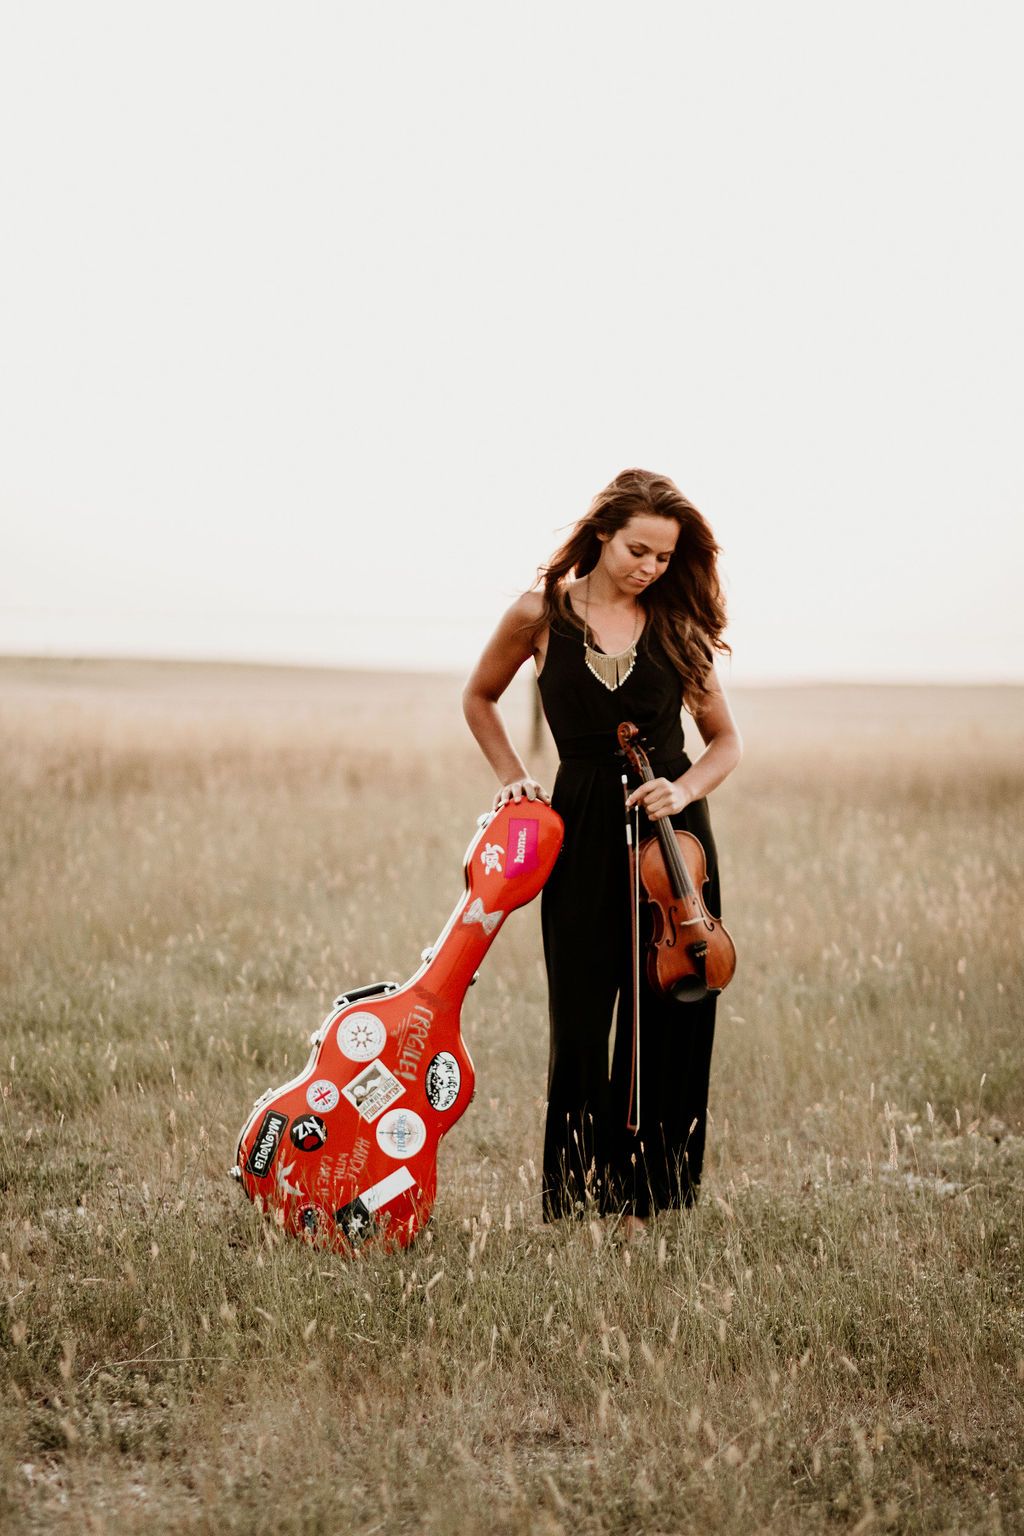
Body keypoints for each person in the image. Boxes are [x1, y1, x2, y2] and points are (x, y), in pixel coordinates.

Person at [462, 468, 741, 1240]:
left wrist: (682, 790)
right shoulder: (540, 614)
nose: (650, 567)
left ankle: (645, 1200)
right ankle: (577, 1199)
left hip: (672, 843)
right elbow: (478, 697)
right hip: (580, 823)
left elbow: (725, 742)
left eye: (663, 556)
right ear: (601, 535)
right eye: (636, 550)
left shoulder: (677, 625)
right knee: (582, 1018)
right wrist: (513, 778)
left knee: (669, 1014)